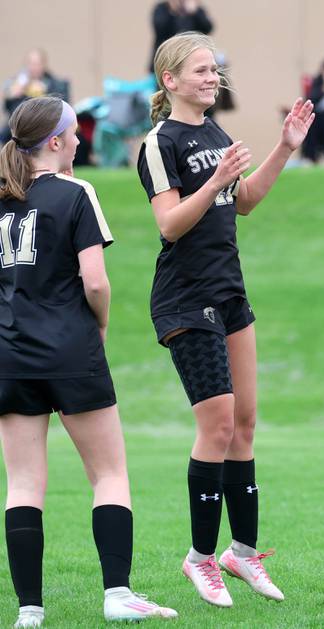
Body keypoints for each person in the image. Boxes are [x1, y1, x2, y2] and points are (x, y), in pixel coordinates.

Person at [136, 32, 314, 607]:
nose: (213, 77)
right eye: (202, 70)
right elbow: (169, 224)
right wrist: (213, 181)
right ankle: (200, 559)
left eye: (216, 69)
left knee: (245, 425)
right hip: (185, 298)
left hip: (230, 292)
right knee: (215, 427)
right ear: (171, 80)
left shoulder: (214, 131)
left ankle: (242, 552)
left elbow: (244, 201)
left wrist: (284, 147)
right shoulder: (160, 142)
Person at [0, 97, 178, 627]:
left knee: (24, 484)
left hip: (11, 357)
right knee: (109, 474)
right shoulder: (77, 192)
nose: (80, 141)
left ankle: (29, 610)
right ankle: (118, 595)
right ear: (54, 142)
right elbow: (95, 280)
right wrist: (99, 324)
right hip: (71, 350)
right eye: (74, 133)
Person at [2, 49, 70, 143]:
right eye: (31, 64)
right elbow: (9, 111)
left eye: (37, 64)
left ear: (44, 65)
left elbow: (63, 107)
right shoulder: (18, 84)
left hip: (47, 128)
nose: (34, 67)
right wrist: (14, 95)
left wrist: (45, 94)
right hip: (22, 128)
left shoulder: (56, 84)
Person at [149, 0, 213, 72]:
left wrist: (195, 12)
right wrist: (173, 10)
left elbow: (208, 28)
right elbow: (160, 29)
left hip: (191, 58)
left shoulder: (195, 9)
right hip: (165, 58)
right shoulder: (162, 8)